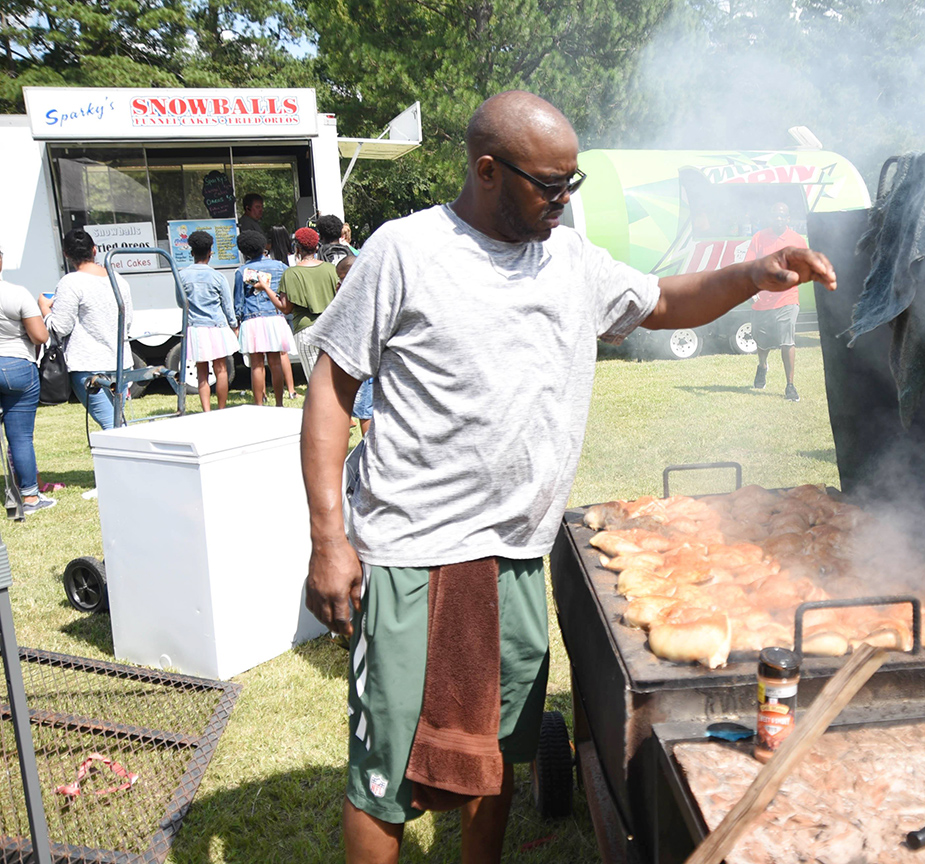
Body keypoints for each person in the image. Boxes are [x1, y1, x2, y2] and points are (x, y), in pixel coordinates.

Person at [298, 90, 835, 864]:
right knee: (388, 772)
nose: (564, 199)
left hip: (517, 551)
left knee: (498, 750)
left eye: (571, 183)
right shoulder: (404, 251)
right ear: (488, 170)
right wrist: (328, 539)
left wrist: (755, 272)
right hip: (415, 551)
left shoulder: (571, 259)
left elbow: (664, 302)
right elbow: (331, 388)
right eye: (550, 185)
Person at [39, 230, 133, 431]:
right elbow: (128, 321)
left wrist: (45, 310)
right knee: (118, 421)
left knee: (112, 425)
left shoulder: (70, 282)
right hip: (121, 362)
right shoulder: (118, 279)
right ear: (95, 250)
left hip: (88, 365)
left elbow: (60, 327)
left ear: (66, 254)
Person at [0, 245, 54, 513]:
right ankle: (31, 497)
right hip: (17, 365)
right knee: (20, 437)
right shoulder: (16, 293)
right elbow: (40, 336)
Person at [746, 202, 809, 401]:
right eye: (775, 215)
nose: (779, 219)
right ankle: (762, 366)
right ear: (770, 217)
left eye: (782, 215)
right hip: (763, 300)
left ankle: (790, 386)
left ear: (788, 218)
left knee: (787, 341)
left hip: (787, 299)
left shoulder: (797, 240)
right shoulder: (759, 238)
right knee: (762, 341)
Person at [179, 230, 240, 412]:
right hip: (217, 326)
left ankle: (206, 411)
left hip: (196, 327)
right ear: (210, 252)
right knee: (221, 369)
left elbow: (180, 302)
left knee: (202, 371)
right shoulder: (218, 276)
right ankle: (221, 408)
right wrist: (234, 325)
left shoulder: (182, 275)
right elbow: (227, 305)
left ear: (192, 252)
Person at [234, 231, 294, 406]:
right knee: (275, 362)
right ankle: (279, 403)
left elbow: (238, 301)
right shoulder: (280, 266)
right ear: (263, 246)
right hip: (275, 317)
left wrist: (236, 321)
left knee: (256, 365)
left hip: (252, 319)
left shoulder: (241, 272)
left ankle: (259, 404)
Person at [333, 255, 373, 436]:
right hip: (364, 359)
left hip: (364, 360)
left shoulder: (358, 296)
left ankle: (369, 447)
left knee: (365, 411)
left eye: (342, 278)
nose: (340, 282)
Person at [279, 227, 338, 335]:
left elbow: (285, 308)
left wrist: (265, 288)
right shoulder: (332, 269)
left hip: (305, 331)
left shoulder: (291, 273)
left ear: (297, 249)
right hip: (331, 328)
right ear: (316, 247)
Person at [267, 226, 299, 398]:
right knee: (284, 352)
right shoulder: (292, 260)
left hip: (272, 308)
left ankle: (271, 389)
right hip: (291, 307)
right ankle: (292, 389)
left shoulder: (268, 261)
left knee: (274, 353)